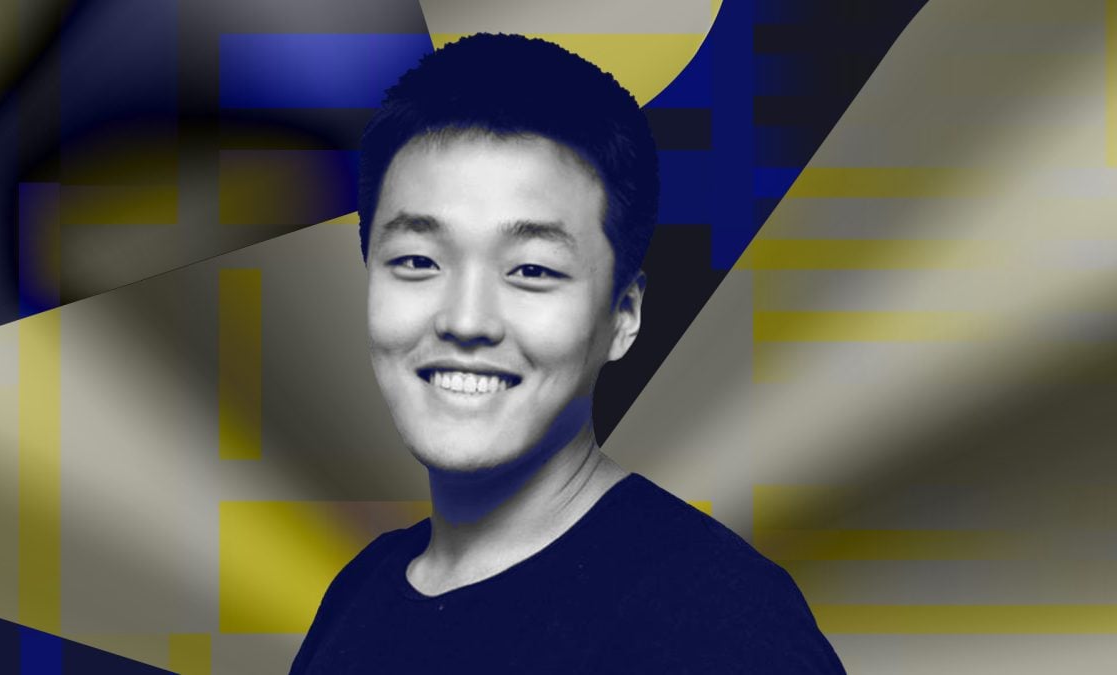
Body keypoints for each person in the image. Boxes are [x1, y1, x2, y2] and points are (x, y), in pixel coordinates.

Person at [290, 33, 844, 674]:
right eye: (417, 261)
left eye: (531, 270)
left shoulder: (720, 625)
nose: (466, 320)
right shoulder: (363, 589)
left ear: (623, 315)